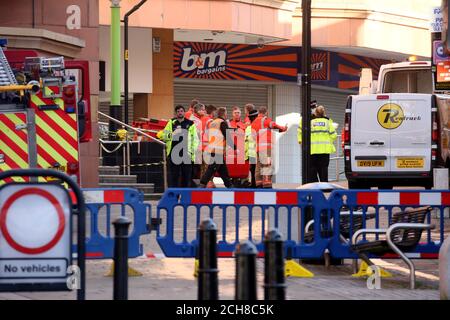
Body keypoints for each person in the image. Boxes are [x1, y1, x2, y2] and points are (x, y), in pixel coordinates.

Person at [157, 105, 199, 188]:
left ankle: (185, 196)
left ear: (184, 112)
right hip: (174, 153)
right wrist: (172, 134)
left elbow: (195, 139)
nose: (180, 113)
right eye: (178, 111)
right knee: (174, 176)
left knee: (186, 177)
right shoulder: (171, 122)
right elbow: (164, 135)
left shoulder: (190, 124)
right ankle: (174, 196)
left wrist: (192, 153)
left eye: (181, 111)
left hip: (186, 154)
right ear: (176, 113)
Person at [297, 105, 337, 182]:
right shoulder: (327, 122)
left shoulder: (310, 122)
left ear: (315, 113)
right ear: (323, 113)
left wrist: (301, 141)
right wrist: (328, 141)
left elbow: (301, 131)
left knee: (312, 169)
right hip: (324, 150)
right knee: (323, 170)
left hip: (313, 150)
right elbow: (334, 135)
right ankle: (324, 186)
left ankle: (315, 187)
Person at [251, 106, 288, 188]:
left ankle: (259, 183)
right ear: (266, 112)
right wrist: (283, 129)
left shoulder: (253, 123)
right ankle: (267, 184)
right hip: (266, 148)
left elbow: (253, 136)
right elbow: (274, 125)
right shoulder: (265, 120)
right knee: (267, 165)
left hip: (258, 149)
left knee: (259, 167)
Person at [199, 107, 234, 188]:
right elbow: (227, 135)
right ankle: (202, 183)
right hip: (218, 149)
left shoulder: (213, 122)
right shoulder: (222, 122)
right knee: (212, 168)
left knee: (223, 170)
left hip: (213, 148)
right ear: (224, 114)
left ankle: (229, 185)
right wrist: (234, 147)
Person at [228, 106, 248, 187]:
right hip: (230, 149)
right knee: (230, 168)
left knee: (240, 167)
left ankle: (241, 181)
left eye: (238, 113)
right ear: (232, 114)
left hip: (240, 149)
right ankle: (231, 182)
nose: (237, 114)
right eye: (235, 113)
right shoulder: (228, 123)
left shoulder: (243, 124)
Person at [200, 105, 217, 188]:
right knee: (209, 169)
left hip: (201, 147)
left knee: (203, 169)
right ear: (212, 112)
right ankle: (209, 186)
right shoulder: (209, 120)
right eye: (214, 112)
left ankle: (202, 186)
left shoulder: (201, 119)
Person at [189, 103, 206, 185]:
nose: (204, 111)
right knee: (194, 167)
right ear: (198, 110)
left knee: (197, 167)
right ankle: (191, 183)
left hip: (197, 148)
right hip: (194, 148)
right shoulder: (194, 121)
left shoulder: (198, 120)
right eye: (202, 110)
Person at [244, 108, 259, 188]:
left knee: (255, 170)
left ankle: (255, 184)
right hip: (252, 152)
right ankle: (254, 183)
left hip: (255, 152)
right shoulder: (249, 128)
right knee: (253, 169)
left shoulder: (250, 128)